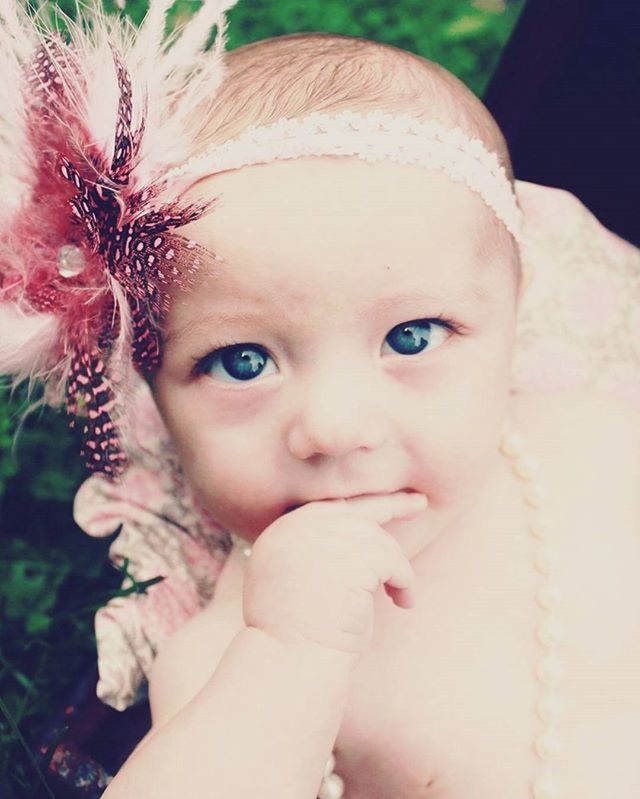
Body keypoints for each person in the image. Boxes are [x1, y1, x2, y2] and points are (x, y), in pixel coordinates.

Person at [1, 1, 639, 797]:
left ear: (515, 316)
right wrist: (291, 653)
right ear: (153, 393)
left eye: (412, 337)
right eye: (241, 361)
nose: (334, 428)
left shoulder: (602, 442)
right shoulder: (232, 657)